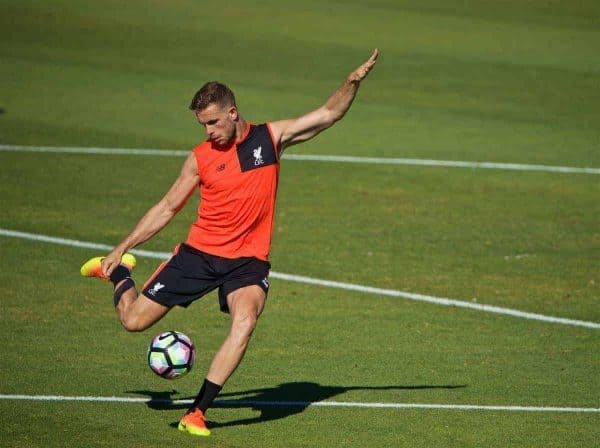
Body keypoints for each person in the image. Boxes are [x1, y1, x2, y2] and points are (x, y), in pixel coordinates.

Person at [80, 48, 379, 437]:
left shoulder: (269, 140)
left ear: (233, 113)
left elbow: (328, 114)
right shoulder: (200, 158)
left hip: (247, 263)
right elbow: (168, 207)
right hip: (199, 255)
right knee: (132, 321)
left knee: (245, 322)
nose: (208, 131)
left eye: (213, 122)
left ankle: (197, 412)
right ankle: (120, 273)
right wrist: (121, 248)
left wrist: (351, 82)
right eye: (202, 124)